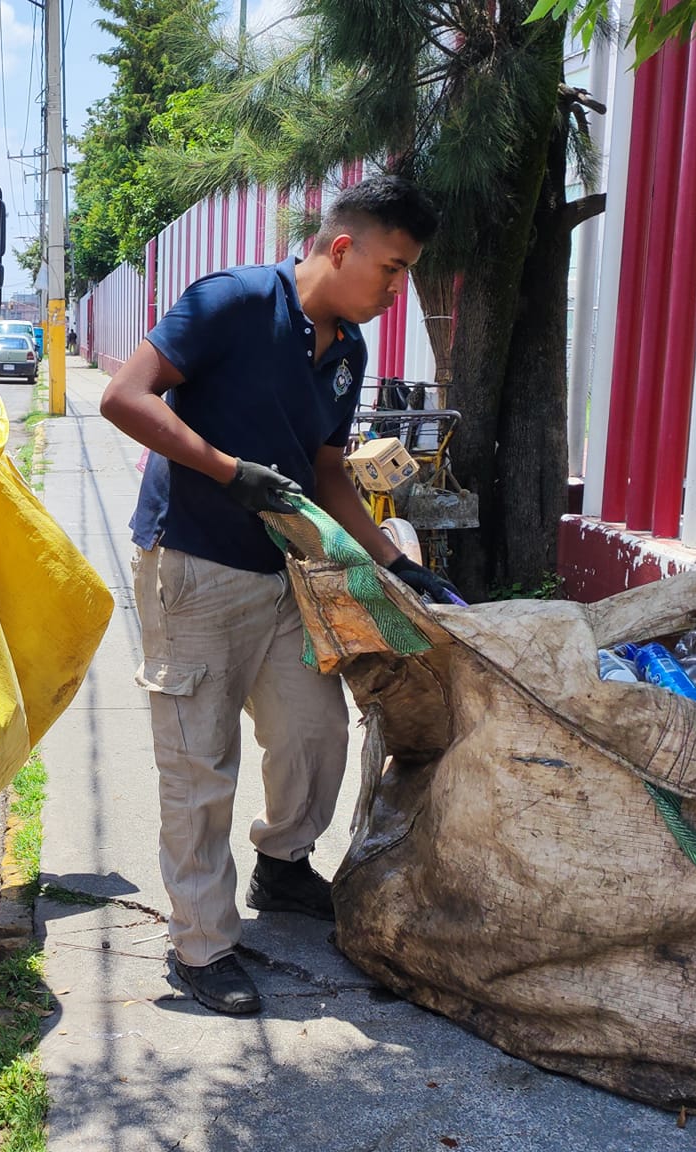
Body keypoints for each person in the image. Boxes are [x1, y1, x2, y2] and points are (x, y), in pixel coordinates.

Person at [97, 175, 456, 1017]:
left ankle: (283, 864)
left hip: (287, 572)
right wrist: (228, 472)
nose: (397, 291)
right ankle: (201, 945)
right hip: (194, 565)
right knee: (199, 763)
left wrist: (391, 562)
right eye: (393, 269)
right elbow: (124, 397)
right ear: (342, 248)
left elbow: (329, 471)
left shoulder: (349, 350)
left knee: (314, 731)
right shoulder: (232, 301)